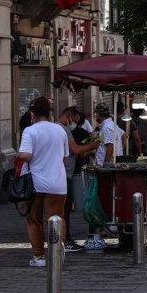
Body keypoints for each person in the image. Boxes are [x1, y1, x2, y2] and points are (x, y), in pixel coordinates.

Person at [17, 97, 70, 267]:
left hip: (35, 184)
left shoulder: (30, 131)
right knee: (57, 218)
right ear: (49, 113)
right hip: (58, 183)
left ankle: (39, 256)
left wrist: (18, 155)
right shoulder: (60, 130)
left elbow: (26, 155)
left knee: (34, 221)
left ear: (32, 114)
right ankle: (58, 250)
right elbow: (65, 158)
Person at [59, 107, 100, 252]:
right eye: (75, 120)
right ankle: (65, 240)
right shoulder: (64, 129)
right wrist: (92, 145)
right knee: (64, 210)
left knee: (63, 209)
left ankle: (63, 239)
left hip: (64, 174)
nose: (76, 124)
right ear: (69, 117)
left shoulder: (59, 128)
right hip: (63, 175)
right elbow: (75, 149)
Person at [94, 102, 126, 166]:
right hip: (114, 163)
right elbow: (124, 135)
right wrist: (119, 151)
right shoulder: (113, 125)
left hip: (108, 167)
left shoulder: (106, 127)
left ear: (98, 114)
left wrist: (106, 164)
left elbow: (110, 147)